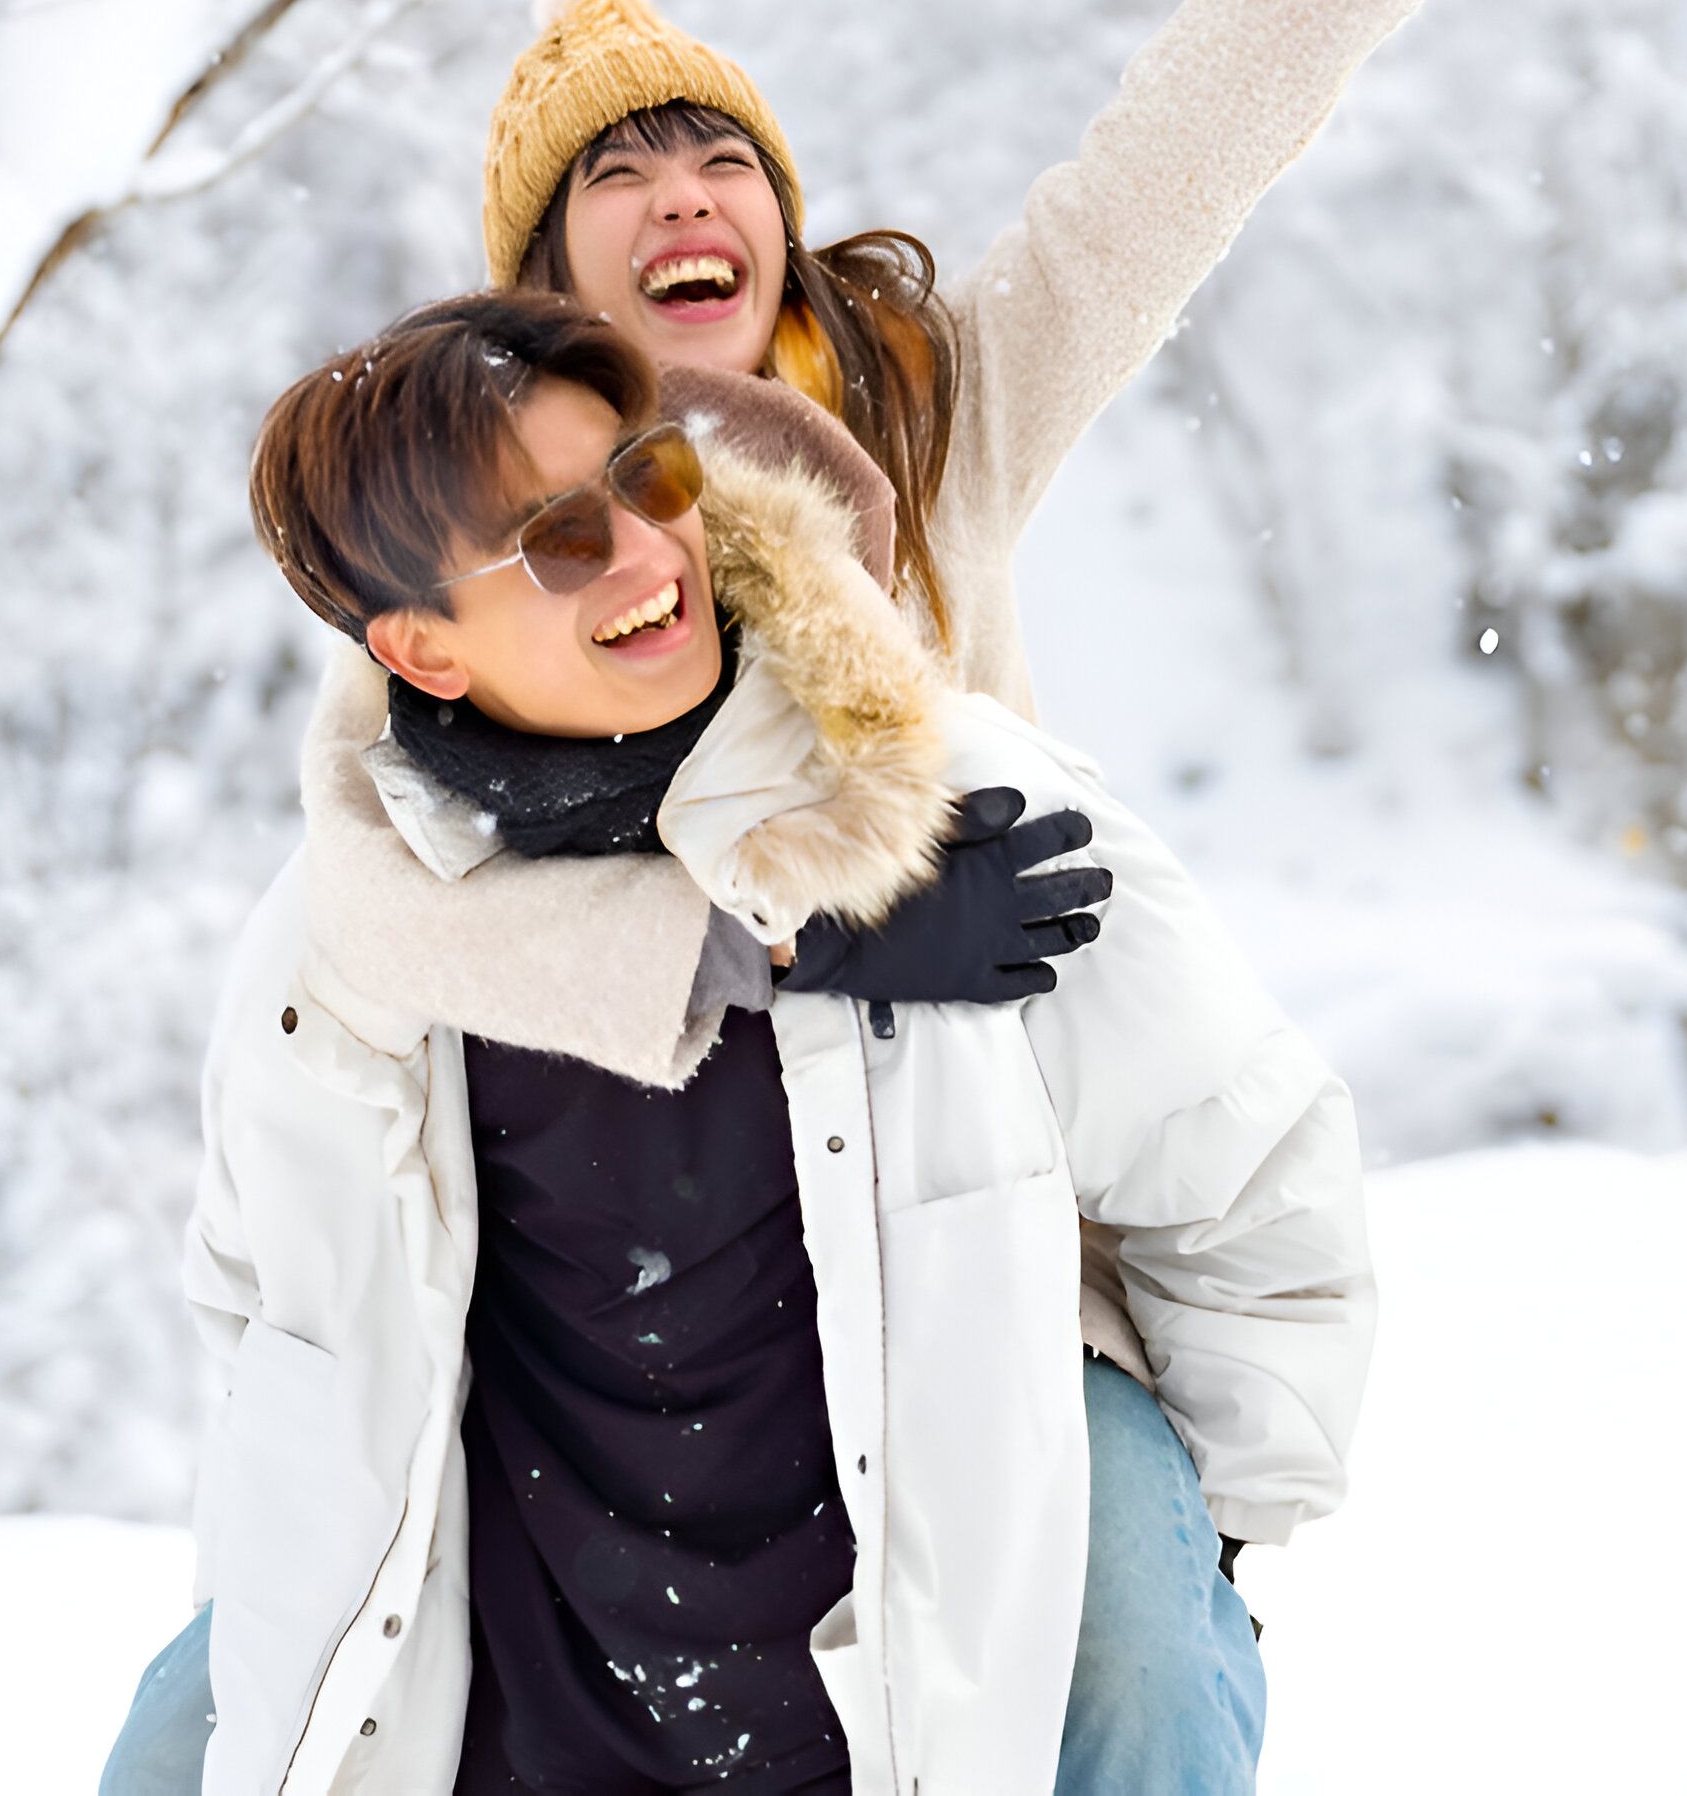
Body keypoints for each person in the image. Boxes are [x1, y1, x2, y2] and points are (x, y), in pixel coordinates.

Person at [107, 0, 1662, 1796]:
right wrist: (784, 928)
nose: (685, 198)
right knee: (209, 1721)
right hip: (632, 1253)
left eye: (718, 156)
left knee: (1120, 1637)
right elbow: (384, 916)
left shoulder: (930, 425)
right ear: (542, 290)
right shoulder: (487, 541)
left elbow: (1175, 157)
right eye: (619, 175)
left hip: (982, 1210)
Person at [185, 296, 1371, 1796]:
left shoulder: (949, 809)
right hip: (538, 1733)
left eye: (647, 476)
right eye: (557, 539)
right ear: (423, 651)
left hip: (905, 1728)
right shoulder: (347, 949)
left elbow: (1249, 1166)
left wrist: (1198, 1555)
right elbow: (263, 1320)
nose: (639, 550)